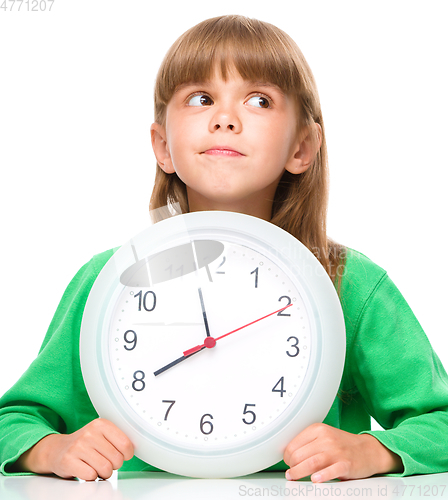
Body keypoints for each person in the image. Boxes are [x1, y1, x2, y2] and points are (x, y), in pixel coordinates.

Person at [1, 14, 448, 484]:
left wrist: (374, 451)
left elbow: (440, 422)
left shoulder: (349, 282)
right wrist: (52, 449)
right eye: (202, 98)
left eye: (259, 100)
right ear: (163, 145)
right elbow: (13, 422)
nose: (225, 118)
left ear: (302, 146)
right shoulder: (109, 282)